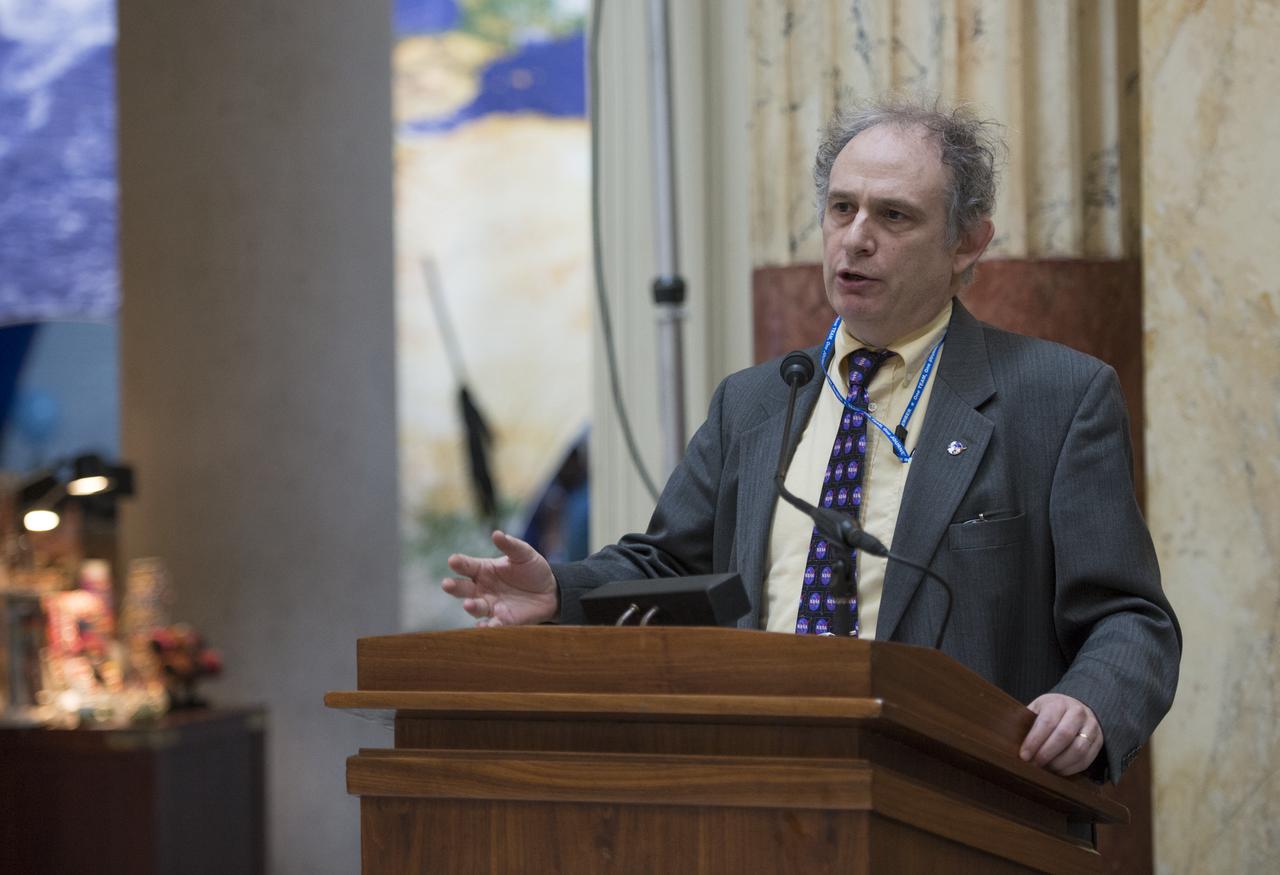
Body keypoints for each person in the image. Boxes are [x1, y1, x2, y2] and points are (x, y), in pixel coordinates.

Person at [442, 98, 1180, 783]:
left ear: (967, 242)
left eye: (894, 216)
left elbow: (1129, 617)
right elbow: (668, 563)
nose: (856, 238)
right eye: (841, 208)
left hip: (959, 796)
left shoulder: (1054, 397)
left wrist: (1086, 703)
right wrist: (562, 590)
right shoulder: (758, 401)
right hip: (758, 782)